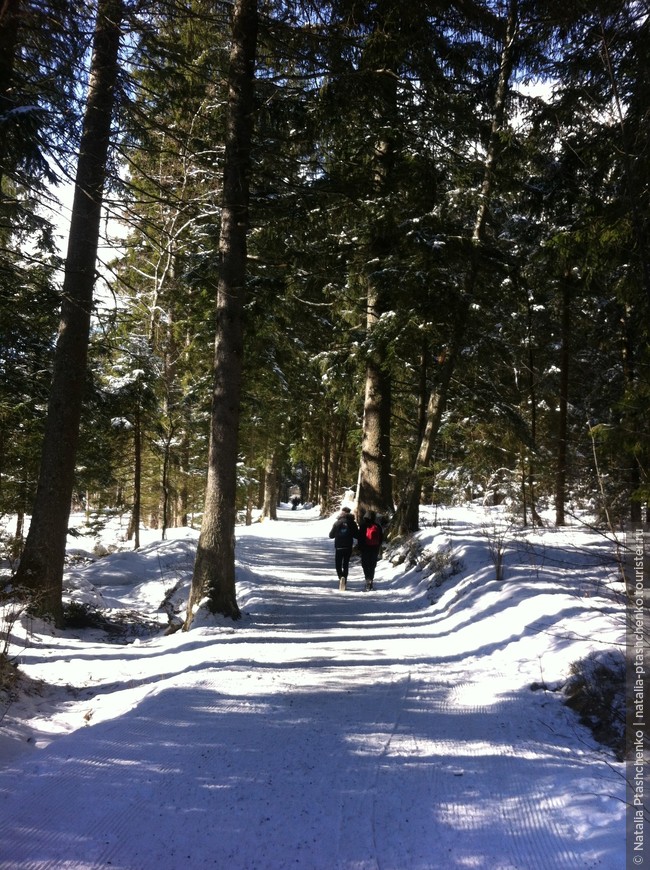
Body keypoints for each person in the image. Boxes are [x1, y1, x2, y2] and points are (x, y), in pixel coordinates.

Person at [328, 506, 359, 591]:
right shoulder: (352, 523)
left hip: (339, 547)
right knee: (345, 564)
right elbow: (357, 535)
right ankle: (344, 581)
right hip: (348, 546)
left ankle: (340, 577)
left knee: (338, 564)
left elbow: (331, 535)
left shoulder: (337, 523)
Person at [358, 510, 383, 591]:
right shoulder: (377, 526)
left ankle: (367, 579)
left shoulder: (363, 525)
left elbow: (360, 537)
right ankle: (371, 580)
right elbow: (381, 538)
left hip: (365, 548)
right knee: (372, 565)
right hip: (374, 548)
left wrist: (360, 547)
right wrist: (378, 546)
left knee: (365, 564)